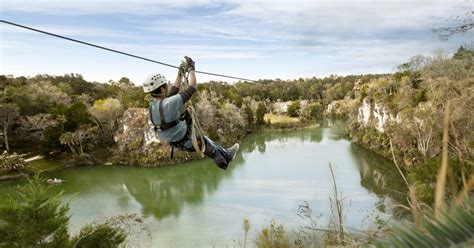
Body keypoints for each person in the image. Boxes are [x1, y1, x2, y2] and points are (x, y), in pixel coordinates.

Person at [143, 56, 239, 170]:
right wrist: (191, 69)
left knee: (207, 141)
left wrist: (180, 72)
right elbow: (192, 87)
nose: (167, 88)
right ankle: (224, 159)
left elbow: (174, 89)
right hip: (187, 140)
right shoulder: (170, 103)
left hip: (177, 142)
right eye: (165, 86)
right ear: (163, 89)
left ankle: (227, 154)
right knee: (209, 147)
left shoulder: (153, 105)